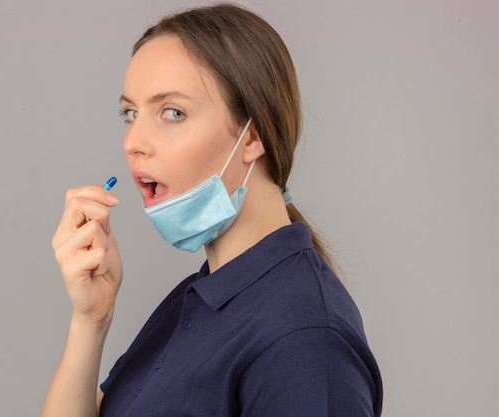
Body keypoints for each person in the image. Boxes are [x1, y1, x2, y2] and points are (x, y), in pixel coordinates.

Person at [42, 3, 383, 416]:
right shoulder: (199, 299)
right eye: (130, 113)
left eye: (172, 112)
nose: (133, 141)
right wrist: (90, 321)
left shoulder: (306, 338)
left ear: (253, 136)